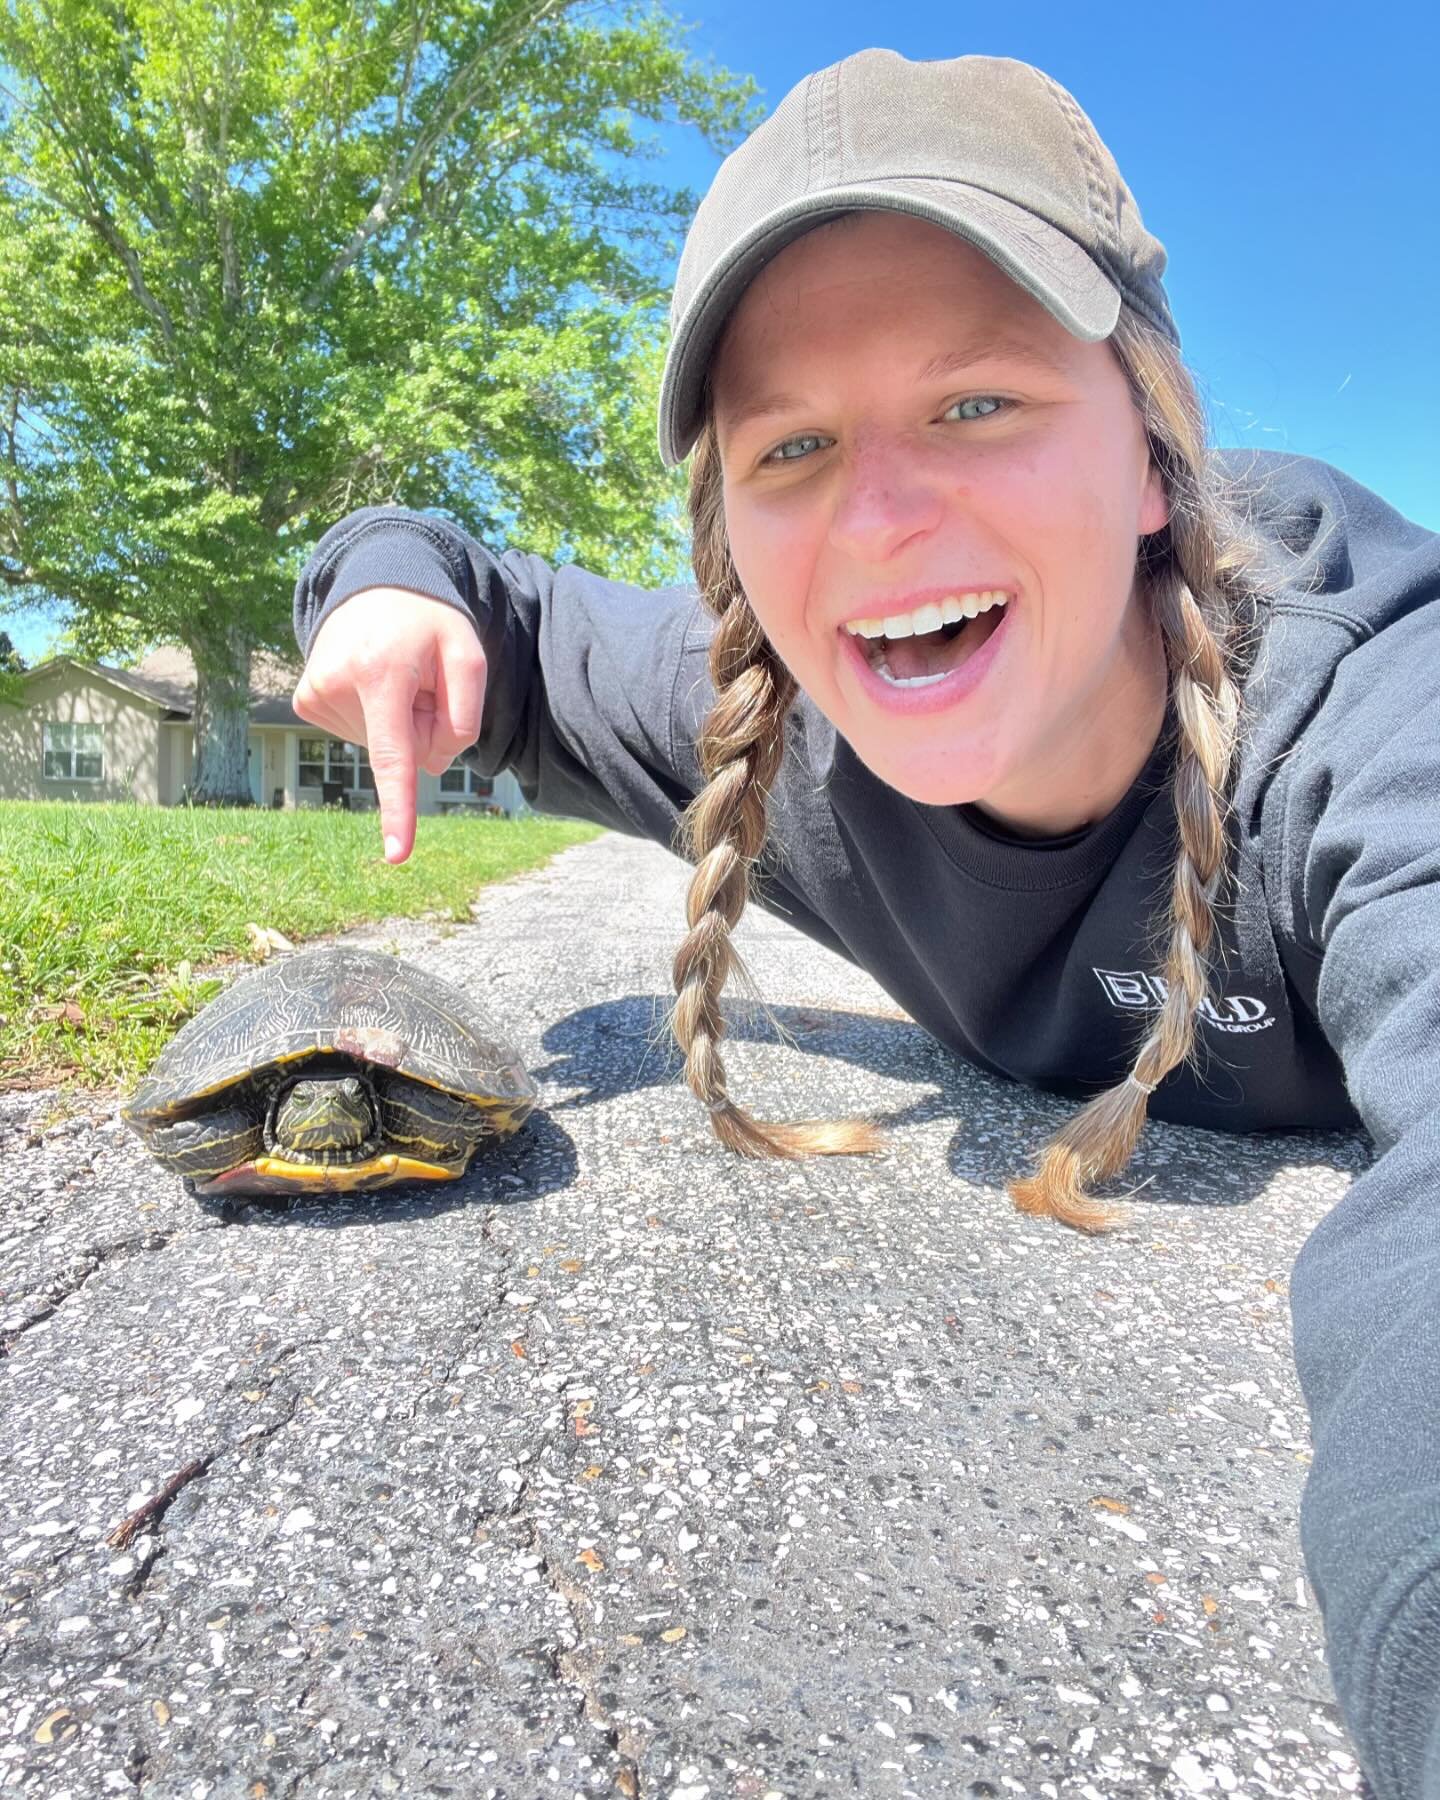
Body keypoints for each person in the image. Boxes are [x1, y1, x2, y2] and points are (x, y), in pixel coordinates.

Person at [291, 49, 1440, 1800]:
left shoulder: (1371, 720)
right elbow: (487, 602)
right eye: (794, 445)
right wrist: (381, 586)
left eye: (977, 403)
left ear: (1151, 454)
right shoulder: (769, 699)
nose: (880, 519)